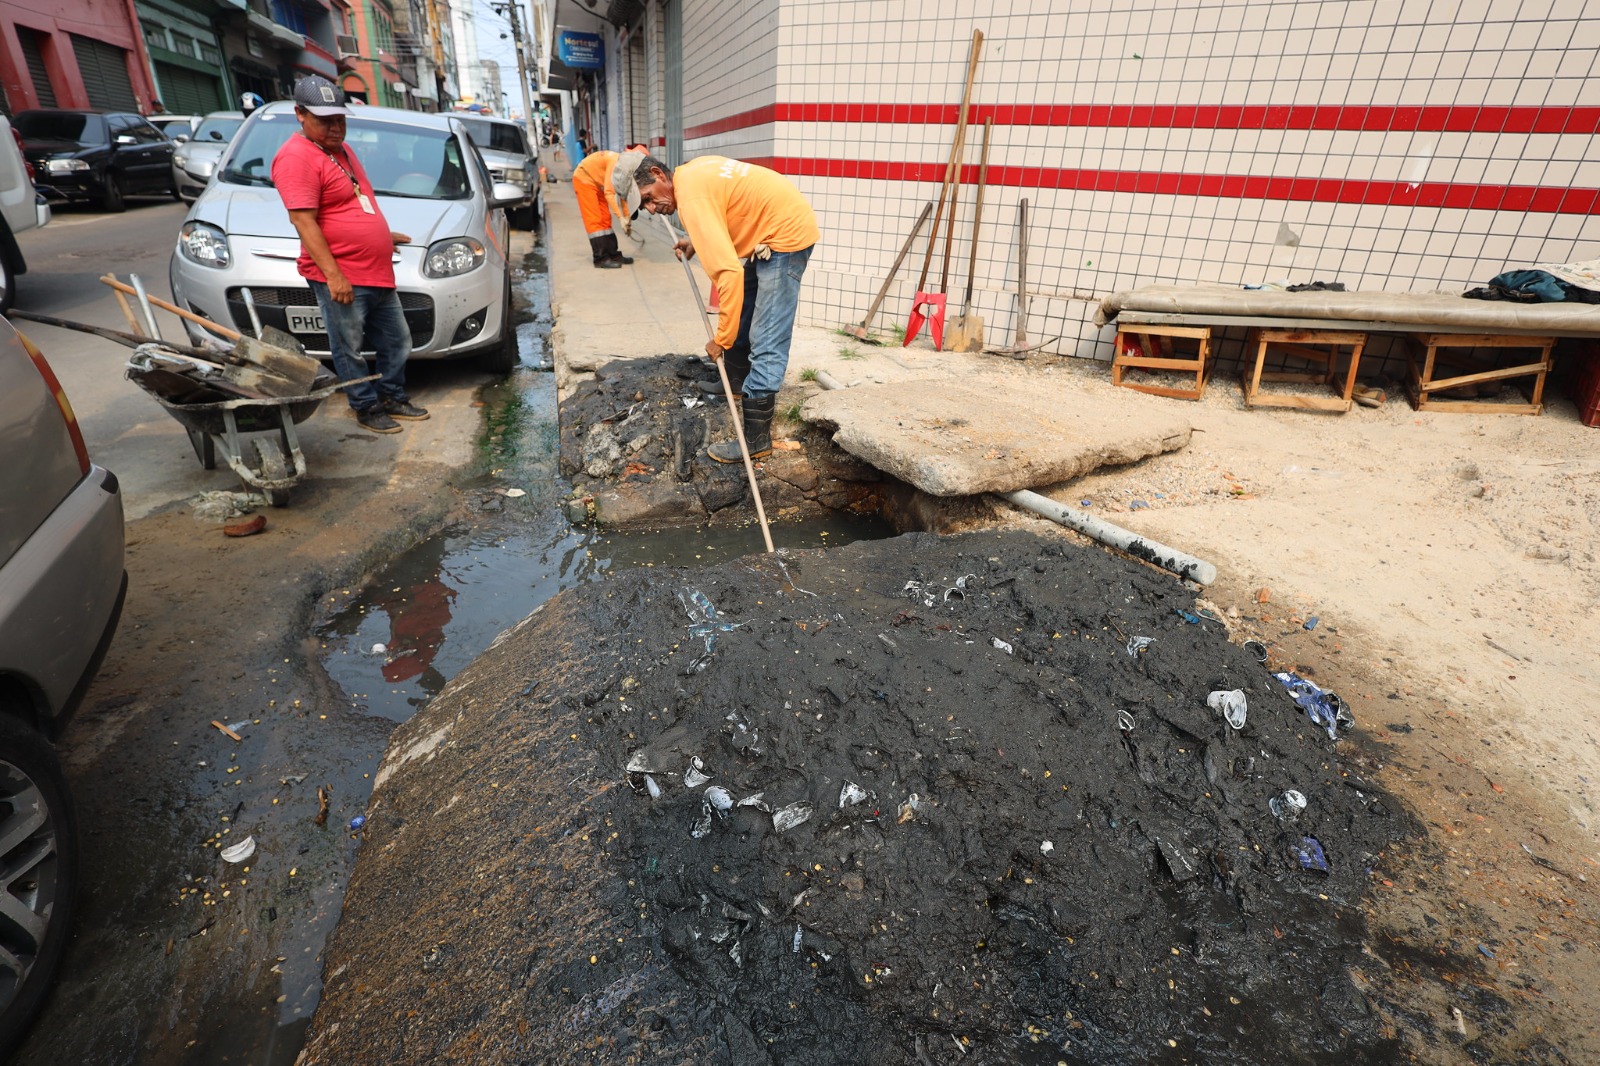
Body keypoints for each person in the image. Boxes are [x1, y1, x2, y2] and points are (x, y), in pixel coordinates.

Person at [613, 152, 818, 463]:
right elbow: (722, 211)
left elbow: (728, 274)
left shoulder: (691, 195)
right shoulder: (690, 176)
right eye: (645, 208)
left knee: (767, 335)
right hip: (773, 223)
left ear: (657, 174)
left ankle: (756, 440)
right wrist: (695, 241)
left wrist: (720, 340)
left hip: (785, 236)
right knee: (747, 304)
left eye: (648, 199)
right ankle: (735, 381)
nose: (653, 210)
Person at [271, 75, 426, 434]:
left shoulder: (339, 150)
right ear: (299, 114)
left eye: (339, 119)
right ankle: (366, 406)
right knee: (349, 346)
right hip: (343, 273)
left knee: (397, 339)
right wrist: (333, 275)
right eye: (325, 121)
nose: (336, 128)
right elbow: (303, 221)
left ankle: (391, 395)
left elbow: (348, 205)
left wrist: (381, 236)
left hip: (375, 268)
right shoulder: (296, 157)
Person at [572, 142, 648, 269]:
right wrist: (620, 218)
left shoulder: (625, 166)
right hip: (583, 179)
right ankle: (600, 259)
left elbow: (621, 193)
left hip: (596, 183)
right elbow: (609, 193)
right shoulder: (616, 163)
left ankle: (613, 255)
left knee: (605, 218)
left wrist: (627, 217)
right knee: (595, 220)